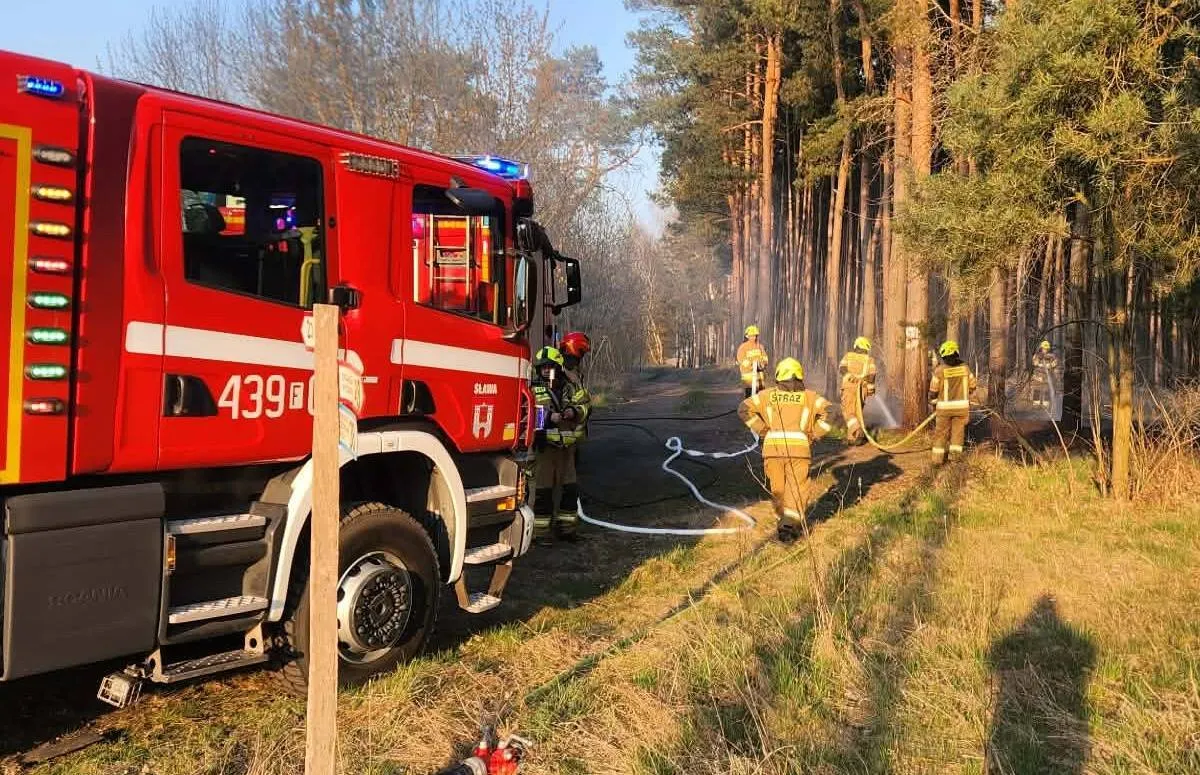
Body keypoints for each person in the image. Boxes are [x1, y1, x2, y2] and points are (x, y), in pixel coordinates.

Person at [738, 358, 833, 543]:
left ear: (779, 376)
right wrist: (814, 434)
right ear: (800, 375)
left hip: (773, 451)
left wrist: (762, 429)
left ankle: (784, 523)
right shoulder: (810, 397)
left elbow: (743, 409)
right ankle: (788, 527)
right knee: (796, 490)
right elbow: (832, 412)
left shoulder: (766, 395)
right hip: (799, 451)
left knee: (778, 489)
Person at [530, 346, 585, 541]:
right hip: (545, 449)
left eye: (550, 366)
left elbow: (585, 405)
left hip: (568, 450)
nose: (546, 370)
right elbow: (529, 414)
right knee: (543, 492)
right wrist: (547, 417)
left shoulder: (570, 387)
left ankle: (567, 530)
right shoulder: (533, 389)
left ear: (558, 367)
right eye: (542, 367)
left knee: (570, 491)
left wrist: (574, 411)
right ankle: (540, 533)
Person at [929, 340, 978, 465]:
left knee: (941, 434)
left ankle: (937, 461)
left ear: (944, 356)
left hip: (944, 410)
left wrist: (932, 401)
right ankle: (955, 460)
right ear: (957, 354)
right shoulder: (965, 368)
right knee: (958, 434)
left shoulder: (939, 371)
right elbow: (973, 386)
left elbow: (933, 390)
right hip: (961, 409)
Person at [559, 331, 593, 468]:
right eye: (581, 352)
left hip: (574, 429)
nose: (582, 356)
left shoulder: (573, 368)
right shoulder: (561, 368)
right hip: (566, 428)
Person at [838, 336, 878, 445]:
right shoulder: (869, 359)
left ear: (856, 346)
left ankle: (858, 431)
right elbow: (872, 375)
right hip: (862, 389)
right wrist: (870, 387)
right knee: (857, 412)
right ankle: (853, 438)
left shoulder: (848, 356)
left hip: (849, 388)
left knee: (848, 412)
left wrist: (849, 375)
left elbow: (842, 368)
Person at [735, 325, 769, 398]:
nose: (754, 338)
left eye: (755, 336)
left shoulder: (760, 346)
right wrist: (751, 365)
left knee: (761, 397)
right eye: (751, 336)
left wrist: (762, 364)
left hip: (759, 377)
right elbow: (741, 359)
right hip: (748, 378)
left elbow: (765, 358)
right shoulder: (743, 347)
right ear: (747, 336)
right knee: (749, 397)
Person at [1030, 340, 1059, 410]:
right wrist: (1039, 364)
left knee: (1046, 390)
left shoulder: (1052, 356)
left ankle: (1045, 405)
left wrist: (1050, 365)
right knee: (1037, 389)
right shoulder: (1037, 355)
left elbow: (1055, 363)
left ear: (1048, 349)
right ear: (1041, 348)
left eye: (1046, 349)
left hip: (1047, 376)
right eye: (1043, 348)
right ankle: (1036, 404)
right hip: (1038, 376)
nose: (1045, 350)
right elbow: (1034, 362)